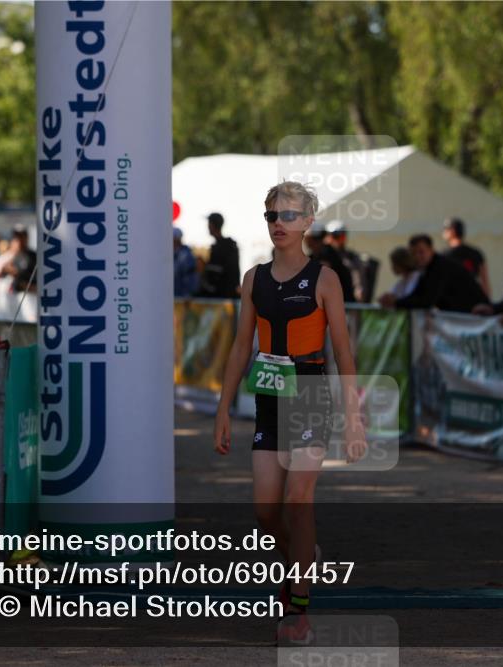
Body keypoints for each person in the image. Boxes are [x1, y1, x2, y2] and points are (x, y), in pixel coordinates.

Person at [213, 181, 366, 642]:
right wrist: (223, 408)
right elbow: (242, 345)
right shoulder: (253, 279)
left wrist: (353, 416)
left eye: (288, 216)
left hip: (311, 394)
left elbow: (342, 349)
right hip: (268, 397)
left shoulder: (324, 279)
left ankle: (297, 609)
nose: (279, 223)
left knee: (299, 498)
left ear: (307, 222)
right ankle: (303, 556)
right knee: (266, 512)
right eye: (272, 216)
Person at [379, 234, 487, 312]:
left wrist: (396, 302)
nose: (417, 257)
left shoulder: (440, 267)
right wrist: (396, 301)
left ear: (431, 250)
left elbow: (426, 300)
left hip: (475, 316)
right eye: (413, 253)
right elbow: (418, 294)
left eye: (421, 252)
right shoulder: (426, 270)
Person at [304, 223, 355, 303]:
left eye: (307, 238)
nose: (305, 242)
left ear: (315, 239)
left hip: (341, 304)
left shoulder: (330, 255)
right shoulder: (312, 257)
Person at [443, 217, 490, 298]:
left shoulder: (444, 255)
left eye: (445, 229)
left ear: (452, 231)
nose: (443, 232)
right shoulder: (476, 253)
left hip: (451, 302)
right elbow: (485, 282)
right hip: (473, 299)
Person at [197, 212, 241, 299]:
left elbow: (222, 274)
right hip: (223, 297)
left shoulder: (225, 246)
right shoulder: (226, 245)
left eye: (209, 223)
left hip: (221, 298)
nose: (208, 226)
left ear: (212, 225)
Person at [173, 227, 198, 297]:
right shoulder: (173, 254)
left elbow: (190, 278)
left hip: (182, 297)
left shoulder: (186, 256)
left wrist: (187, 294)